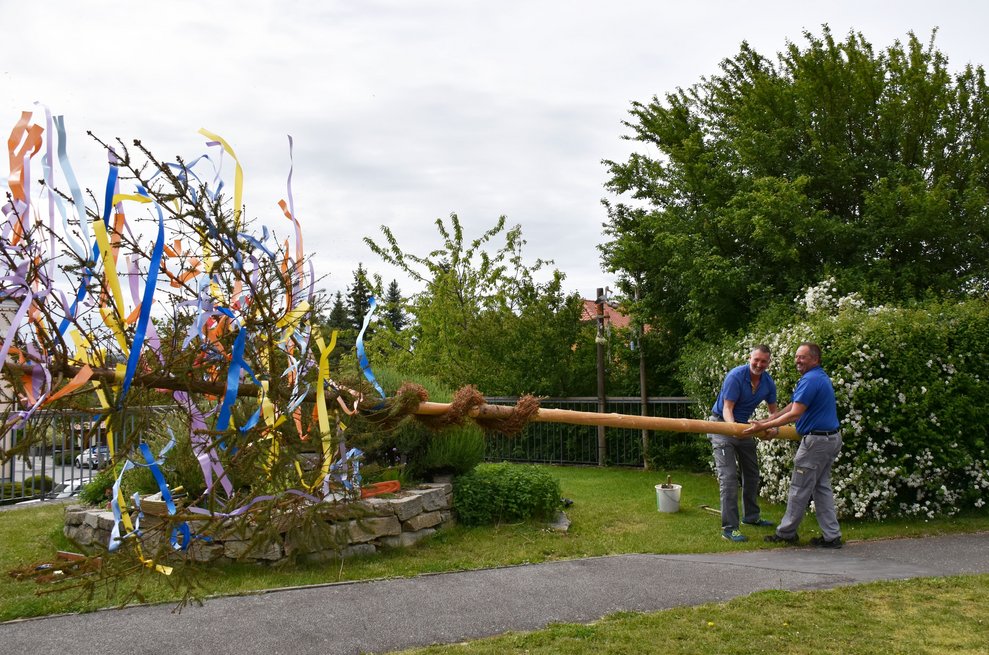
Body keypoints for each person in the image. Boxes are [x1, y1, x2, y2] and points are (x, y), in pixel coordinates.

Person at [743, 341, 843, 549]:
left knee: (799, 487)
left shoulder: (811, 380)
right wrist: (767, 420)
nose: (798, 360)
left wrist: (765, 425)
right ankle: (832, 536)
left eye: (803, 357)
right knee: (821, 487)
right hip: (831, 439)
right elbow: (793, 406)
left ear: (815, 359)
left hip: (816, 442)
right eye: (797, 356)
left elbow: (796, 414)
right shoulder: (818, 377)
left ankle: (786, 533)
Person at [708, 345, 779, 542]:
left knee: (752, 473)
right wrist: (733, 429)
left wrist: (774, 426)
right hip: (723, 426)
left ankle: (751, 517)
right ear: (750, 358)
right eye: (756, 360)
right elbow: (727, 409)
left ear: (768, 363)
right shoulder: (736, 376)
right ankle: (730, 529)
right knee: (729, 478)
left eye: (763, 361)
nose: (759, 364)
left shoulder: (767, 382)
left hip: (744, 427)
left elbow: (774, 412)